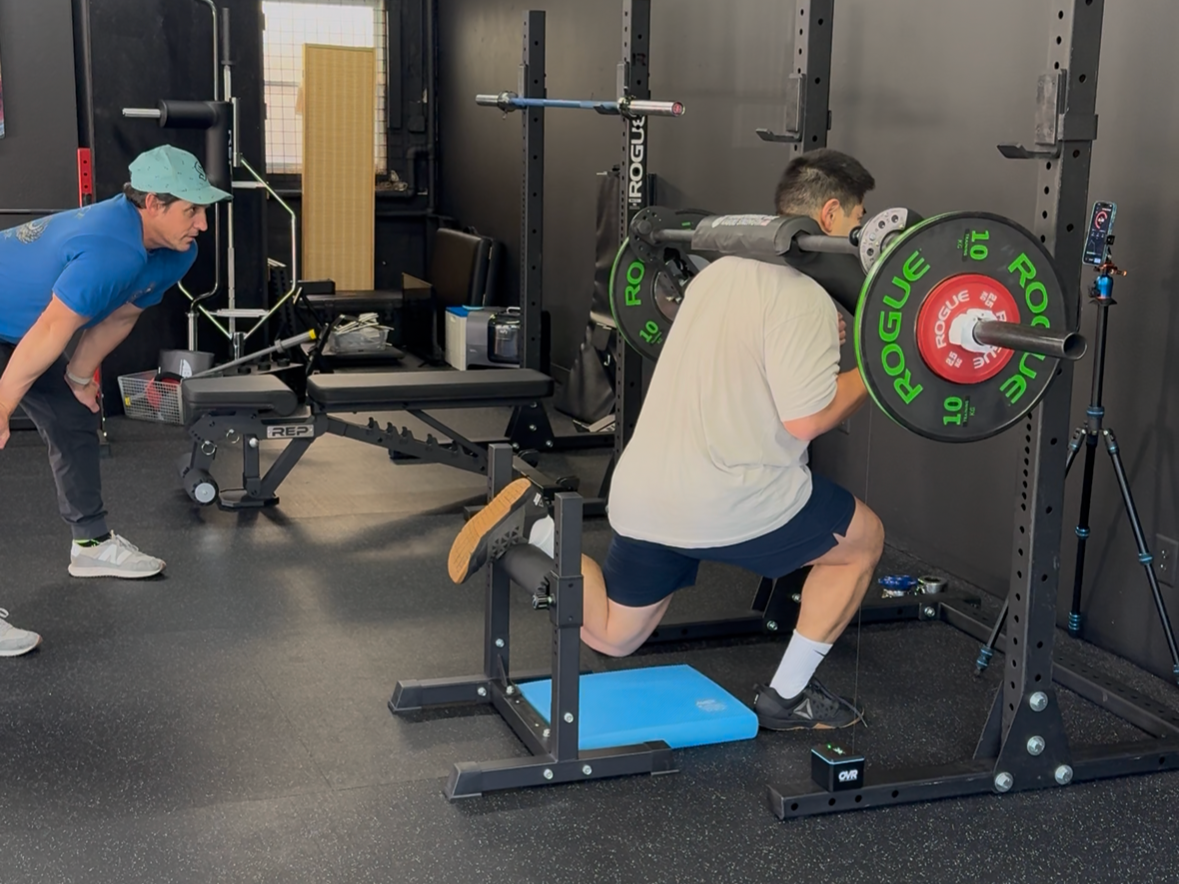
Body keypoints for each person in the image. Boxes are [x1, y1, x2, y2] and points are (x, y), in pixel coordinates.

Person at [448, 149, 886, 730]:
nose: (860, 234)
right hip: (729, 500)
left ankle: (539, 529)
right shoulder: (801, 294)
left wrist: (821, 337)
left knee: (613, 634)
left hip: (646, 492)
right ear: (829, 215)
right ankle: (787, 697)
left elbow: (757, 352)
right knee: (863, 539)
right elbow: (807, 419)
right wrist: (881, 366)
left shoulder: (715, 275)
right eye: (858, 218)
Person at [0, 144, 230, 656]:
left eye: (204, 210)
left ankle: (90, 544)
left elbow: (121, 315)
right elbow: (53, 328)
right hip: (29, 328)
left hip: (26, 331)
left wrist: (79, 376)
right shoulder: (111, 248)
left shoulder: (177, 253)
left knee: (73, 418)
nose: (202, 225)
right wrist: (2, 404)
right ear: (152, 203)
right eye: (191, 211)